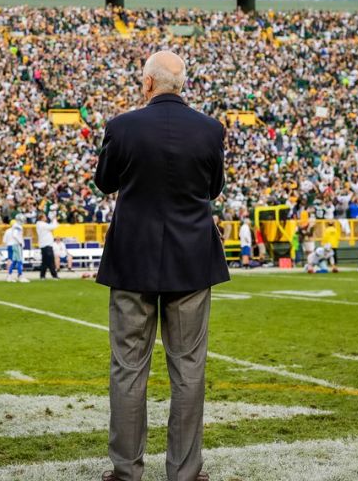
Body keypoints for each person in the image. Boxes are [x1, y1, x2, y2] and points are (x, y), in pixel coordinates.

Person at [94, 50, 227, 481]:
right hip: (191, 260)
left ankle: (126, 470)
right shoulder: (210, 130)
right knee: (188, 368)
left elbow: (105, 182)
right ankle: (185, 471)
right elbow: (214, 188)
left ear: (148, 84)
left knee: (128, 367)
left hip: (133, 258)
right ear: (181, 84)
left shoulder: (122, 126)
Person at [3, 217, 28, 283]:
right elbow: (15, 235)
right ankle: (20, 275)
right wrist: (20, 242)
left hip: (11, 245)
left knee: (13, 261)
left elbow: (4, 240)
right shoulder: (18, 227)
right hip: (16, 245)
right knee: (19, 261)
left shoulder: (9, 230)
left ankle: (9, 275)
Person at [36, 212, 60, 279]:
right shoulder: (42, 225)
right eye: (45, 216)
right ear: (42, 218)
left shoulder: (41, 224)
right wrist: (54, 219)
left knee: (45, 262)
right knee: (50, 261)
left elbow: (52, 225)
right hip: (47, 245)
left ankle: (42, 276)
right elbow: (54, 226)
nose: (46, 218)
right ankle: (54, 275)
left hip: (45, 245)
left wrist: (53, 220)